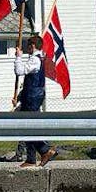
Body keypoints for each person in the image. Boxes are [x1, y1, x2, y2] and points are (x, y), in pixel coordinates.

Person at [14, 35, 57, 168]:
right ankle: (31, 158)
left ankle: (44, 150)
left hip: (32, 97)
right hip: (30, 95)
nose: (27, 49)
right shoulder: (36, 59)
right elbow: (29, 81)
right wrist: (20, 96)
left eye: (28, 46)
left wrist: (18, 57)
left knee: (28, 127)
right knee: (28, 126)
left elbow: (19, 70)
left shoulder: (35, 60)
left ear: (32, 46)